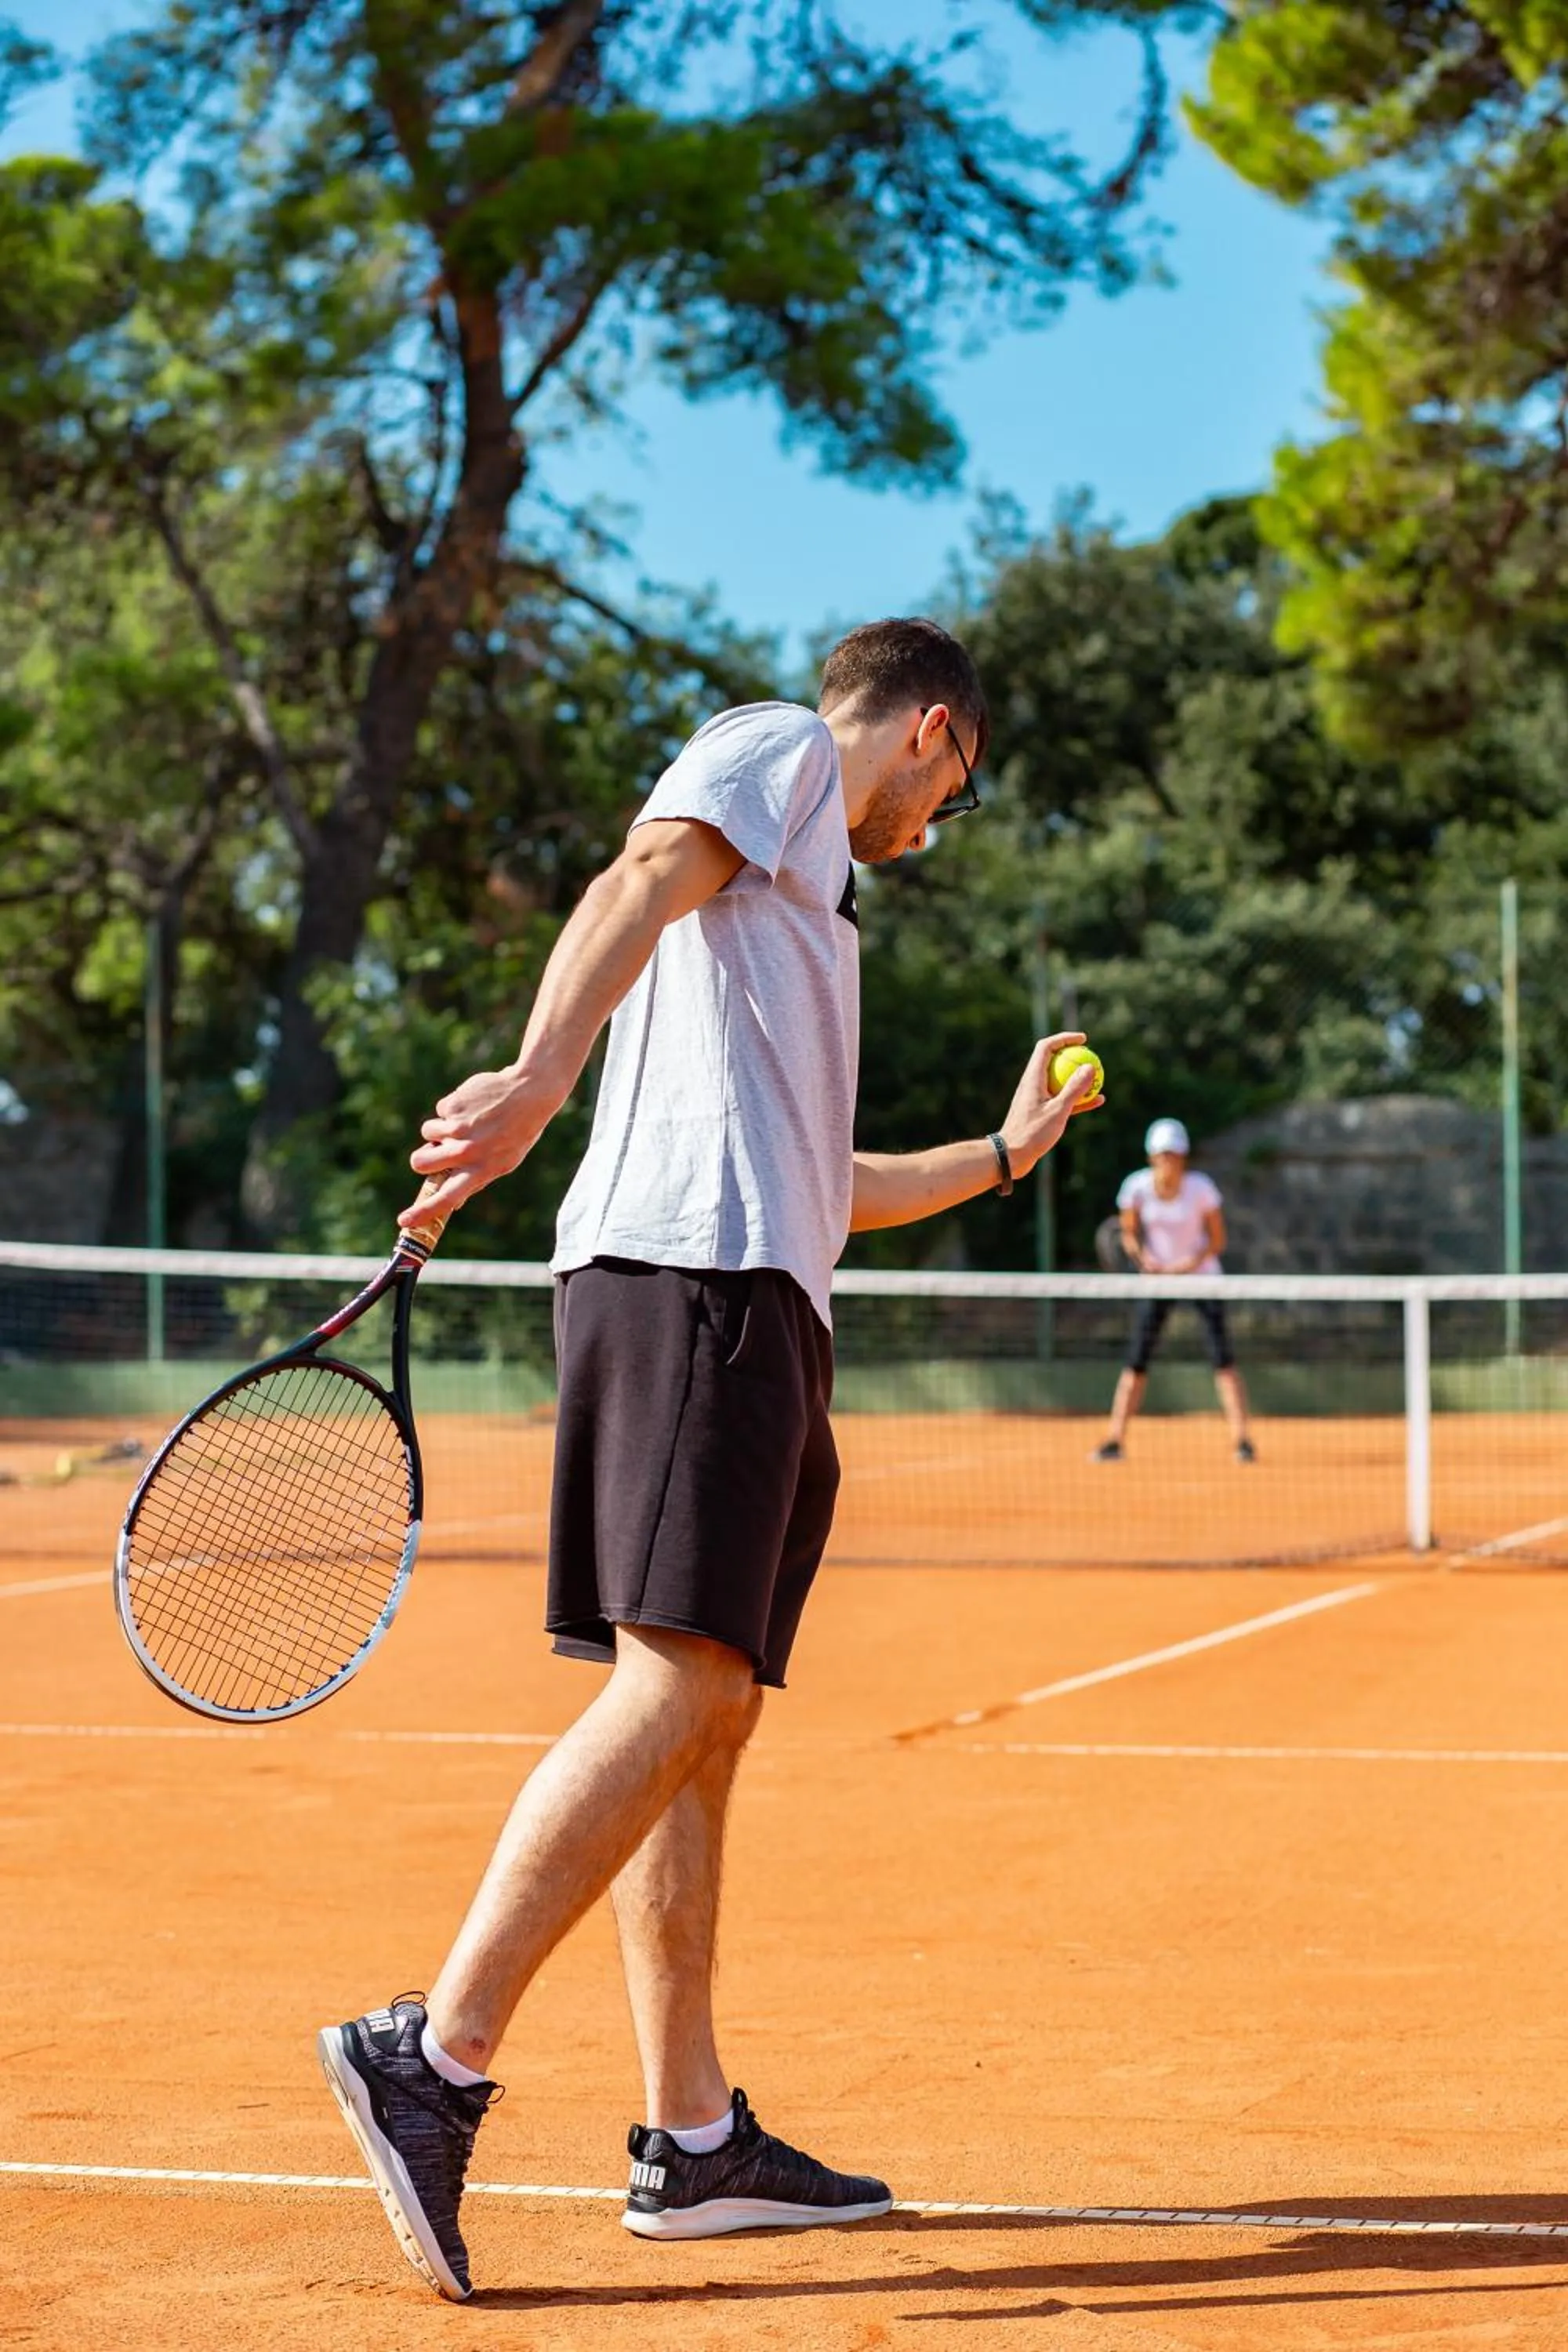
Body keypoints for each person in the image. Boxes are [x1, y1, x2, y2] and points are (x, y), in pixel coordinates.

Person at [316, 618, 1104, 2300]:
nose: (933, 825)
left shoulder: (802, 901)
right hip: (699, 1286)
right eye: (950, 793)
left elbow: (833, 1179)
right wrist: (534, 1084)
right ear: (935, 734)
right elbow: (634, 879)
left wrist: (1004, 1150)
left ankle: (692, 2141)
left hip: (748, 1281)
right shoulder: (784, 755)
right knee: (677, 1696)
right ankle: (431, 2057)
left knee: (706, 1709)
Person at [1092, 1116, 1255, 1465]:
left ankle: (1242, 1440)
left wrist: (1186, 1265)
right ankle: (1114, 1440)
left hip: (1203, 1278)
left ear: (1184, 1157)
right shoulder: (1135, 1187)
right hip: (1157, 1281)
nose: (1169, 1160)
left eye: (1175, 1154)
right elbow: (1129, 1234)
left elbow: (1217, 1240)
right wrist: (1144, 1259)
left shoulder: (1201, 1188)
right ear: (1152, 1157)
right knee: (1136, 1360)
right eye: (1162, 1154)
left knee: (1223, 1359)